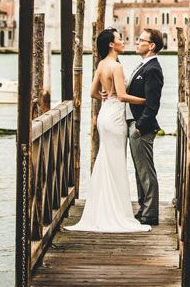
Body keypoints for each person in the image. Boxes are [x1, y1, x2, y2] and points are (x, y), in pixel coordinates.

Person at [66, 28, 150, 233]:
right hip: (115, 117)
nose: (123, 40)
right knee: (116, 163)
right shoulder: (116, 66)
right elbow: (122, 96)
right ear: (111, 44)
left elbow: (93, 93)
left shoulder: (101, 65)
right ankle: (116, 212)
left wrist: (106, 97)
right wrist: (146, 101)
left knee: (106, 161)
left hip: (105, 114)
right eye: (119, 38)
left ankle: (102, 209)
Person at [125, 28, 164, 226]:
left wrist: (140, 126)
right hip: (135, 124)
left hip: (142, 127)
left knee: (146, 171)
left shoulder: (153, 69)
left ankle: (150, 212)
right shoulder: (143, 67)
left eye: (141, 40)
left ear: (152, 46)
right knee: (140, 170)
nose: (137, 42)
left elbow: (153, 103)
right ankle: (144, 208)